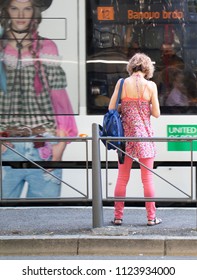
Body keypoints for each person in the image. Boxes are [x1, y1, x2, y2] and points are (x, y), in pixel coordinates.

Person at [0, 0, 78, 198]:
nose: (21, 15)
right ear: (6, 11)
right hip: (6, 146)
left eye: (27, 8)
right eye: (14, 8)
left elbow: (60, 99)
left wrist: (59, 145)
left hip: (44, 145)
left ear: (34, 12)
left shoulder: (47, 46)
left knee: (43, 219)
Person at [108, 53, 162, 226]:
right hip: (145, 137)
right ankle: (151, 218)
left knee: (122, 178)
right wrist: (145, 105)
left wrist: (126, 107)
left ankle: (118, 216)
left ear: (131, 66)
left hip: (126, 138)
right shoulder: (151, 86)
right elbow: (156, 114)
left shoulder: (122, 83)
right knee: (147, 179)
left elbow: (111, 108)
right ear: (147, 69)